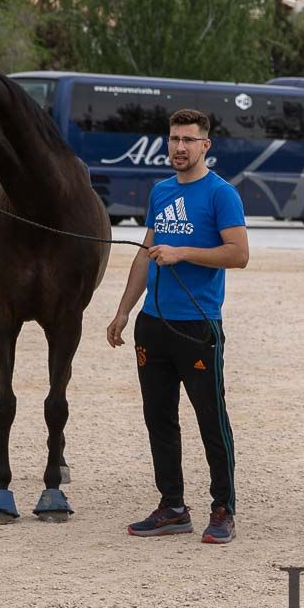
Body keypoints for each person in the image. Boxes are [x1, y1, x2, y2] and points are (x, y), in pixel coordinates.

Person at [107, 108, 249, 543]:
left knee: (211, 420)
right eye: (173, 139)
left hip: (198, 326)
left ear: (206, 146)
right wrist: (124, 310)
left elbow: (238, 254)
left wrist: (183, 252)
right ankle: (172, 507)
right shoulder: (161, 191)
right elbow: (143, 254)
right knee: (159, 418)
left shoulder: (221, 194)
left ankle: (222, 508)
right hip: (153, 325)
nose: (179, 148)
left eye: (189, 140)